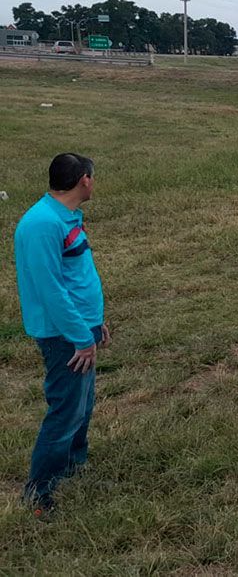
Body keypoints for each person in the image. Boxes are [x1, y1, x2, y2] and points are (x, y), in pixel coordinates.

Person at [14, 153, 111, 519]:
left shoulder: (65, 215)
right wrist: (79, 337)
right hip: (63, 335)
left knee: (82, 406)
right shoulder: (41, 225)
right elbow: (51, 290)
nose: (94, 183)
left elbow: (76, 274)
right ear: (84, 180)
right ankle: (39, 492)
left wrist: (94, 321)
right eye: (93, 178)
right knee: (65, 412)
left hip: (79, 327)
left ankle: (73, 466)